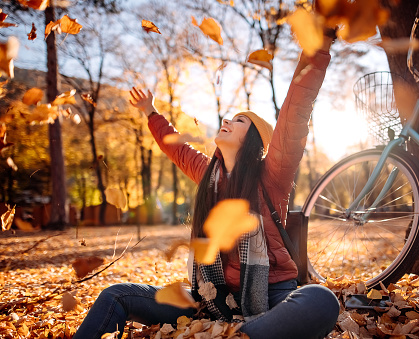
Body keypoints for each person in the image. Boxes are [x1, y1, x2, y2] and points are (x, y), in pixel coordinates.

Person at [73, 33, 339, 339]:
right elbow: (178, 150)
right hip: (210, 299)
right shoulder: (209, 175)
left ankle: (241, 334)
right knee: (116, 295)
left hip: (273, 293)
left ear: (254, 141)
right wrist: (150, 112)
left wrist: (318, 45)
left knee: (321, 300)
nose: (228, 119)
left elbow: (296, 110)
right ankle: (246, 333)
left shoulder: (273, 174)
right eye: (231, 117)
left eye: (240, 120)